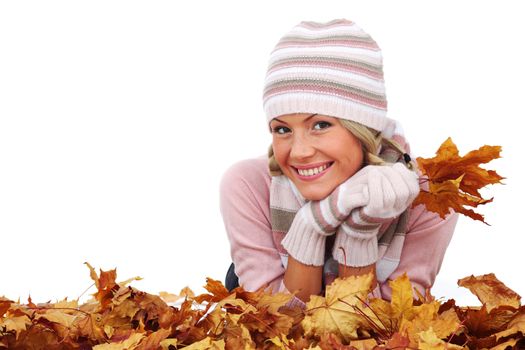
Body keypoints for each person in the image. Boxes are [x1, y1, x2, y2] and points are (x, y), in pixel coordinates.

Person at [220, 19, 458, 307]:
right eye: (282, 129)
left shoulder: (429, 198)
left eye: (320, 124)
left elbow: (382, 330)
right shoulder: (247, 184)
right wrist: (311, 224)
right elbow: (276, 326)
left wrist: (360, 232)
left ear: (363, 128)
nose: (299, 152)